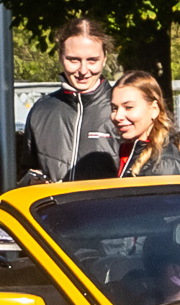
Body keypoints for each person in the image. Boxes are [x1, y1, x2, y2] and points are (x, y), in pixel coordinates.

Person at [23, 17, 119, 182]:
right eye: (73, 60)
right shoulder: (41, 110)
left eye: (92, 60)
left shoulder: (122, 110)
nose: (83, 70)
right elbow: (26, 172)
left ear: (104, 59)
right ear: (60, 57)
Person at [110, 70, 180, 176]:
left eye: (129, 107)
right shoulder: (127, 151)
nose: (117, 116)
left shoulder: (165, 163)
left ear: (154, 109)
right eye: (114, 108)